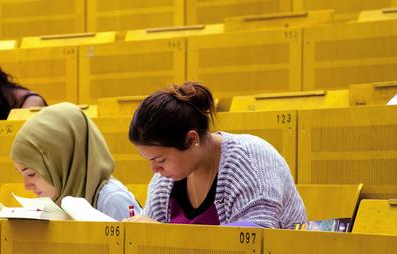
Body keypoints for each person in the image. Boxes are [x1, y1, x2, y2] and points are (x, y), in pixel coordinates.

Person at [126, 81, 306, 228]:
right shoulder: (164, 183)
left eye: (160, 159)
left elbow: (253, 243)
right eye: (149, 160)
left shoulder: (249, 160)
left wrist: (165, 235)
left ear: (191, 140)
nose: (154, 169)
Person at [10, 102, 141, 221]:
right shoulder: (53, 201)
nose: (26, 186)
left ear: (60, 163)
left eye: (31, 174)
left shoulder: (113, 200)